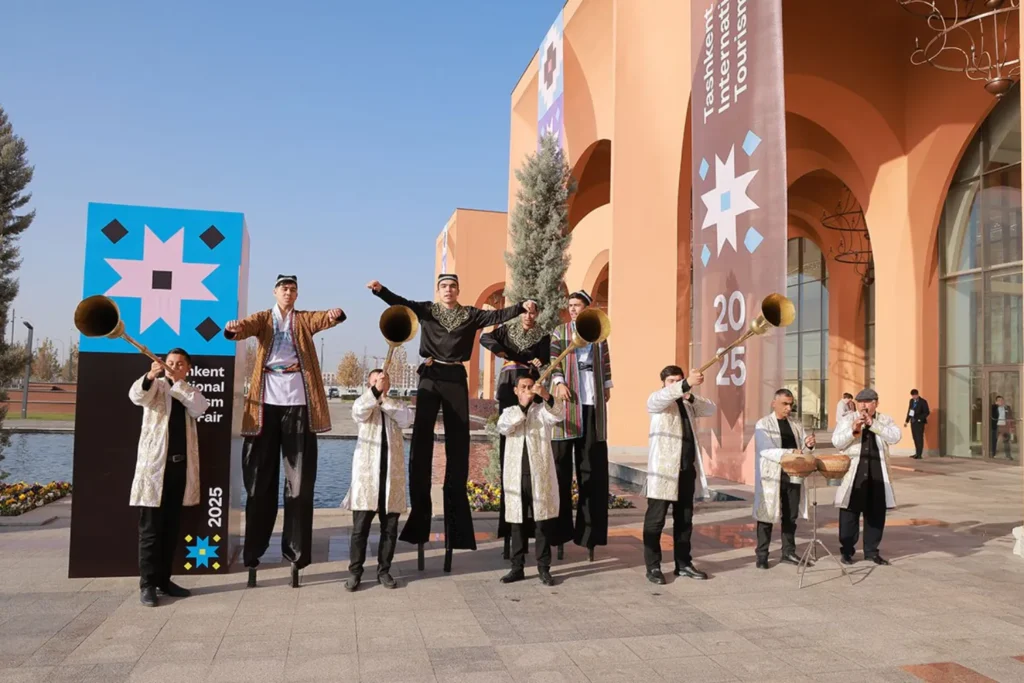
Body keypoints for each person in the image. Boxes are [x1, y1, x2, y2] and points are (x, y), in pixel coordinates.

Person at [367, 275, 537, 571]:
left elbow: (497, 314)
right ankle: (419, 517)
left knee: (459, 445)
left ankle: (457, 526)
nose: (448, 290)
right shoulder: (428, 309)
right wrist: (381, 292)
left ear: (459, 290)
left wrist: (522, 306)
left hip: (456, 378)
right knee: (421, 441)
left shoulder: (471, 314)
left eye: (453, 286)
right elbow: (401, 303)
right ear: (438, 290)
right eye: (444, 286)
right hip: (430, 377)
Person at [224, 274, 346, 589]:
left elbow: (324, 319)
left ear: (297, 293)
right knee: (259, 482)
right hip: (265, 405)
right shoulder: (264, 318)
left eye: (292, 288)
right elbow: (246, 327)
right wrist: (234, 328)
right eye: (283, 288)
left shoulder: (303, 320)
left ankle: (296, 553)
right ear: (275, 292)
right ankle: (254, 552)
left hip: (298, 404)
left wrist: (334, 315)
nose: (288, 292)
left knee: (300, 484)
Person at [128, 350, 209, 607]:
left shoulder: (188, 390)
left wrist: (178, 384)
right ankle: (147, 584)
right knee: (150, 531)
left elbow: (200, 408)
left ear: (188, 368)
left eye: (180, 364)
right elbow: (136, 396)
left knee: (171, 529)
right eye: (170, 363)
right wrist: (151, 375)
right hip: (155, 470)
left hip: (179, 471)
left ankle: (164, 579)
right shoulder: (155, 387)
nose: (174, 367)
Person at [479, 306, 551, 559]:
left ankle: (536, 537)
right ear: (520, 311)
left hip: (530, 384)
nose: (529, 316)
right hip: (509, 385)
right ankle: (510, 534)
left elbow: (547, 358)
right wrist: (508, 354)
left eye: (534, 312)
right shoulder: (506, 330)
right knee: (508, 437)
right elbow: (484, 338)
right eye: (526, 311)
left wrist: (540, 361)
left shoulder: (543, 335)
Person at [550, 290, 612, 560]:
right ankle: (558, 534)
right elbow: (554, 361)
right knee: (561, 472)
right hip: (567, 408)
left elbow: (606, 365)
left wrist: (607, 385)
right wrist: (559, 382)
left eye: (578, 305)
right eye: (571, 305)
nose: (573, 309)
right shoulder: (560, 332)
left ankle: (590, 536)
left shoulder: (599, 333)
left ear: (588, 308)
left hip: (592, 406)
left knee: (591, 472)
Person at [342, 369, 414, 591]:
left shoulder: (395, 405)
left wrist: (384, 400)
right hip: (367, 478)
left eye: (382, 382)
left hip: (391, 478)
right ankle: (355, 572)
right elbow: (358, 412)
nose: (379, 384)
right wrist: (375, 394)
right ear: (369, 384)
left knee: (389, 530)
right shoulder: (363, 402)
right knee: (359, 530)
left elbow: (407, 420)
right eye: (375, 381)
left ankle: (384, 570)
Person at [642, 365, 715, 584]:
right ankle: (653, 567)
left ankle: (683, 564)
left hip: (686, 470)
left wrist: (690, 394)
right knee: (655, 522)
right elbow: (660, 399)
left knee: (684, 521)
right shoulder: (658, 400)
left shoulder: (687, 402)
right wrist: (683, 385)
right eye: (671, 380)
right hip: (663, 473)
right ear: (663, 382)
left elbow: (710, 409)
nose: (675, 384)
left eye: (679, 380)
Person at [496, 376, 565, 585]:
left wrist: (545, 395)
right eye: (523, 387)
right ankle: (517, 567)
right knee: (517, 522)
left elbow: (559, 414)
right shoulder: (509, 411)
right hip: (516, 475)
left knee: (541, 522)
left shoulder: (542, 411)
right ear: (516, 390)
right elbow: (504, 427)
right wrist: (523, 407)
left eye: (530, 387)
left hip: (539, 474)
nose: (527, 390)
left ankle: (544, 568)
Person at [832, 388, 901, 565]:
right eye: (860, 401)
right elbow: (837, 442)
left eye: (868, 401)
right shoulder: (848, 419)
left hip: (877, 473)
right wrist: (853, 430)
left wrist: (873, 425)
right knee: (849, 513)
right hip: (854, 474)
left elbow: (895, 437)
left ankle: (871, 551)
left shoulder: (884, 420)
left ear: (876, 403)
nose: (863, 405)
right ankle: (847, 551)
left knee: (876, 514)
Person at [753, 389, 813, 569]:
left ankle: (788, 551)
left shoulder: (795, 424)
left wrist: (808, 444)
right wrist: (790, 452)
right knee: (767, 515)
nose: (788, 408)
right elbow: (766, 450)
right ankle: (762, 554)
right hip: (772, 475)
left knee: (790, 515)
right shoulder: (763, 424)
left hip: (793, 475)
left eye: (790, 404)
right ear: (774, 403)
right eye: (785, 404)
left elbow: (803, 449)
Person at [904, 389, 930, 460]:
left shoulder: (923, 402)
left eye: (915, 395)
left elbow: (927, 412)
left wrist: (920, 419)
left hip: (919, 422)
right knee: (915, 437)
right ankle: (916, 453)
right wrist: (907, 420)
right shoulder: (911, 401)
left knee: (919, 438)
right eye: (913, 396)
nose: (914, 397)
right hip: (913, 422)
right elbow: (910, 410)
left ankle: (919, 454)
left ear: (918, 394)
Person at [990, 396, 1014, 460]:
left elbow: (1010, 417)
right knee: (993, 440)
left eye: (1002, 400)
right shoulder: (993, 408)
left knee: (1006, 441)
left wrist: (1011, 427)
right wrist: (995, 405)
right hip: (996, 426)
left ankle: (1008, 456)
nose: (1001, 401)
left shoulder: (1007, 408)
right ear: (996, 401)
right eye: (999, 400)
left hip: (1004, 426)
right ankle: (992, 454)